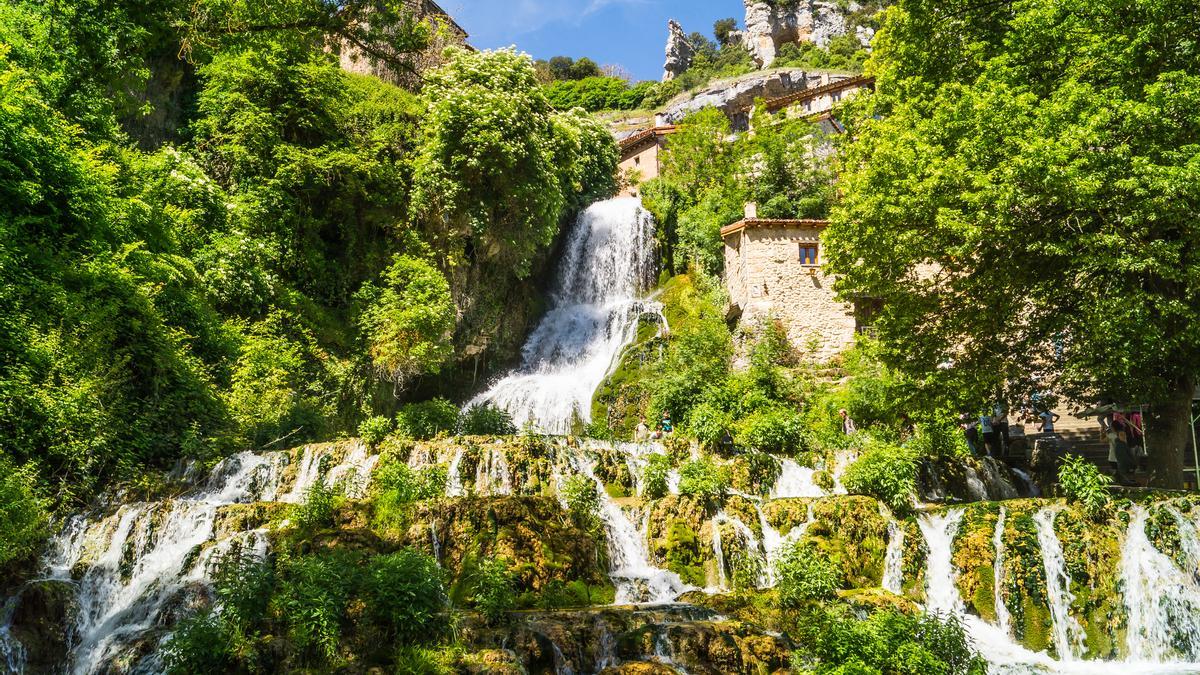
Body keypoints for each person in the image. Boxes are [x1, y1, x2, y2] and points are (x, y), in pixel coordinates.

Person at [1110, 411, 1134, 484]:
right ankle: (1123, 481)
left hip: (1121, 452)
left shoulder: (1121, 433)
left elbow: (1123, 441)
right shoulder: (1115, 433)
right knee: (1120, 469)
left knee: (1122, 468)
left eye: (1111, 427)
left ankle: (1127, 481)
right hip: (1117, 453)